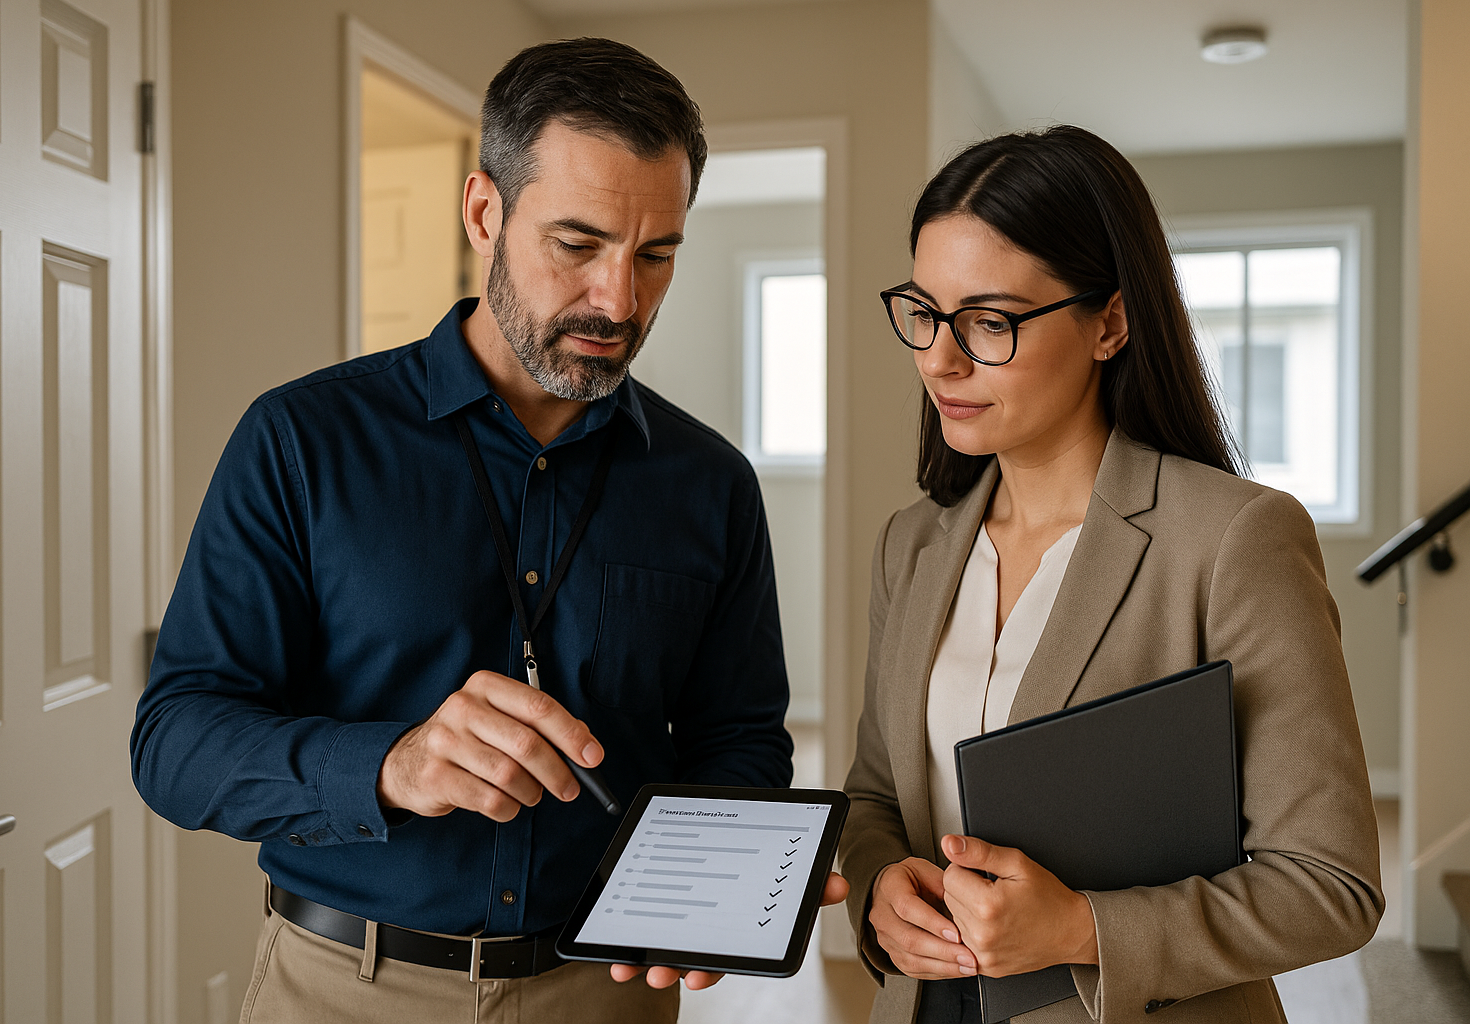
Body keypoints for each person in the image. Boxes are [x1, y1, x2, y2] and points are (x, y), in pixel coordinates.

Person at [132, 37, 843, 1024]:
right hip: (339, 989)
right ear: (483, 212)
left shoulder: (713, 481)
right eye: (578, 243)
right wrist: (393, 764)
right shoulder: (300, 437)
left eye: (657, 254)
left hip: (604, 998)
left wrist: (721, 885)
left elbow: (739, 740)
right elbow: (175, 742)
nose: (619, 300)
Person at [839, 125, 1384, 1024]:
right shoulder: (912, 544)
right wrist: (877, 889)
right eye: (924, 312)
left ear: (1111, 323)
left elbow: (1332, 885)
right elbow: (873, 796)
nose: (940, 358)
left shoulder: (1234, 540)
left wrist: (1085, 928)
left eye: (990, 321)